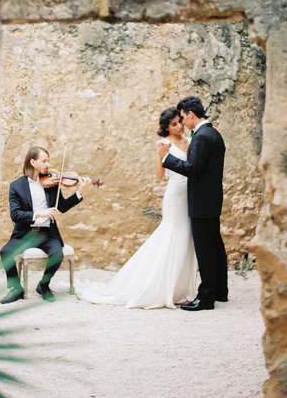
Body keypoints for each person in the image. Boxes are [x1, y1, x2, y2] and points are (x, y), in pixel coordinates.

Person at [76, 107, 198, 309]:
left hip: (190, 194)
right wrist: (161, 156)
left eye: (179, 122)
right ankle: (160, 287)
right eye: (174, 124)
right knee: (172, 235)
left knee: (186, 238)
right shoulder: (164, 143)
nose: (179, 126)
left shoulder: (190, 140)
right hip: (175, 194)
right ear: (166, 128)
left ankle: (180, 288)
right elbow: (159, 175)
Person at [157, 96, 228, 311]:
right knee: (215, 245)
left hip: (201, 201)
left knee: (206, 249)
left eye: (183, 117)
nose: (182, 122)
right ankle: (219, 290)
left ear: (190, 115)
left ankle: (206, 297)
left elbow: (192, 169)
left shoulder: (203, 136)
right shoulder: (212, 133)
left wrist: (167, 159)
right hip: (210, 199)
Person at [0, 146, 92, 304]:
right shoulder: (16, 186)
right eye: (44, 161)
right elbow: (15, 215)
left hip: (47, 233)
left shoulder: (52, 183)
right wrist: (39, 213)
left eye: (48, 160)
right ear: (33, 162)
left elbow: (61, 207)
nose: (47, 164)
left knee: (57, 254)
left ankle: (43, 285)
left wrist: (80, 192)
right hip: (25, 232)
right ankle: (16, 289)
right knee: (5, 252)